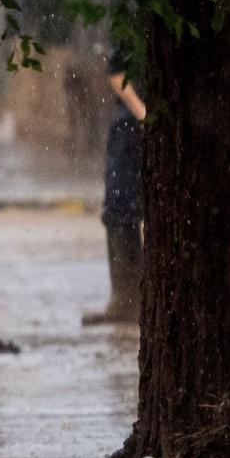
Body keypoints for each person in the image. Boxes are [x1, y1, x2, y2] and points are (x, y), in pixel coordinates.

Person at [85, 47, 145, 324]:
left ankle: (135, 298)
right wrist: (142, 113)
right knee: (121, 206)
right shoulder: (133, 10)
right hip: (132, 124)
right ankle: (126, 299)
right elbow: (116, 71)